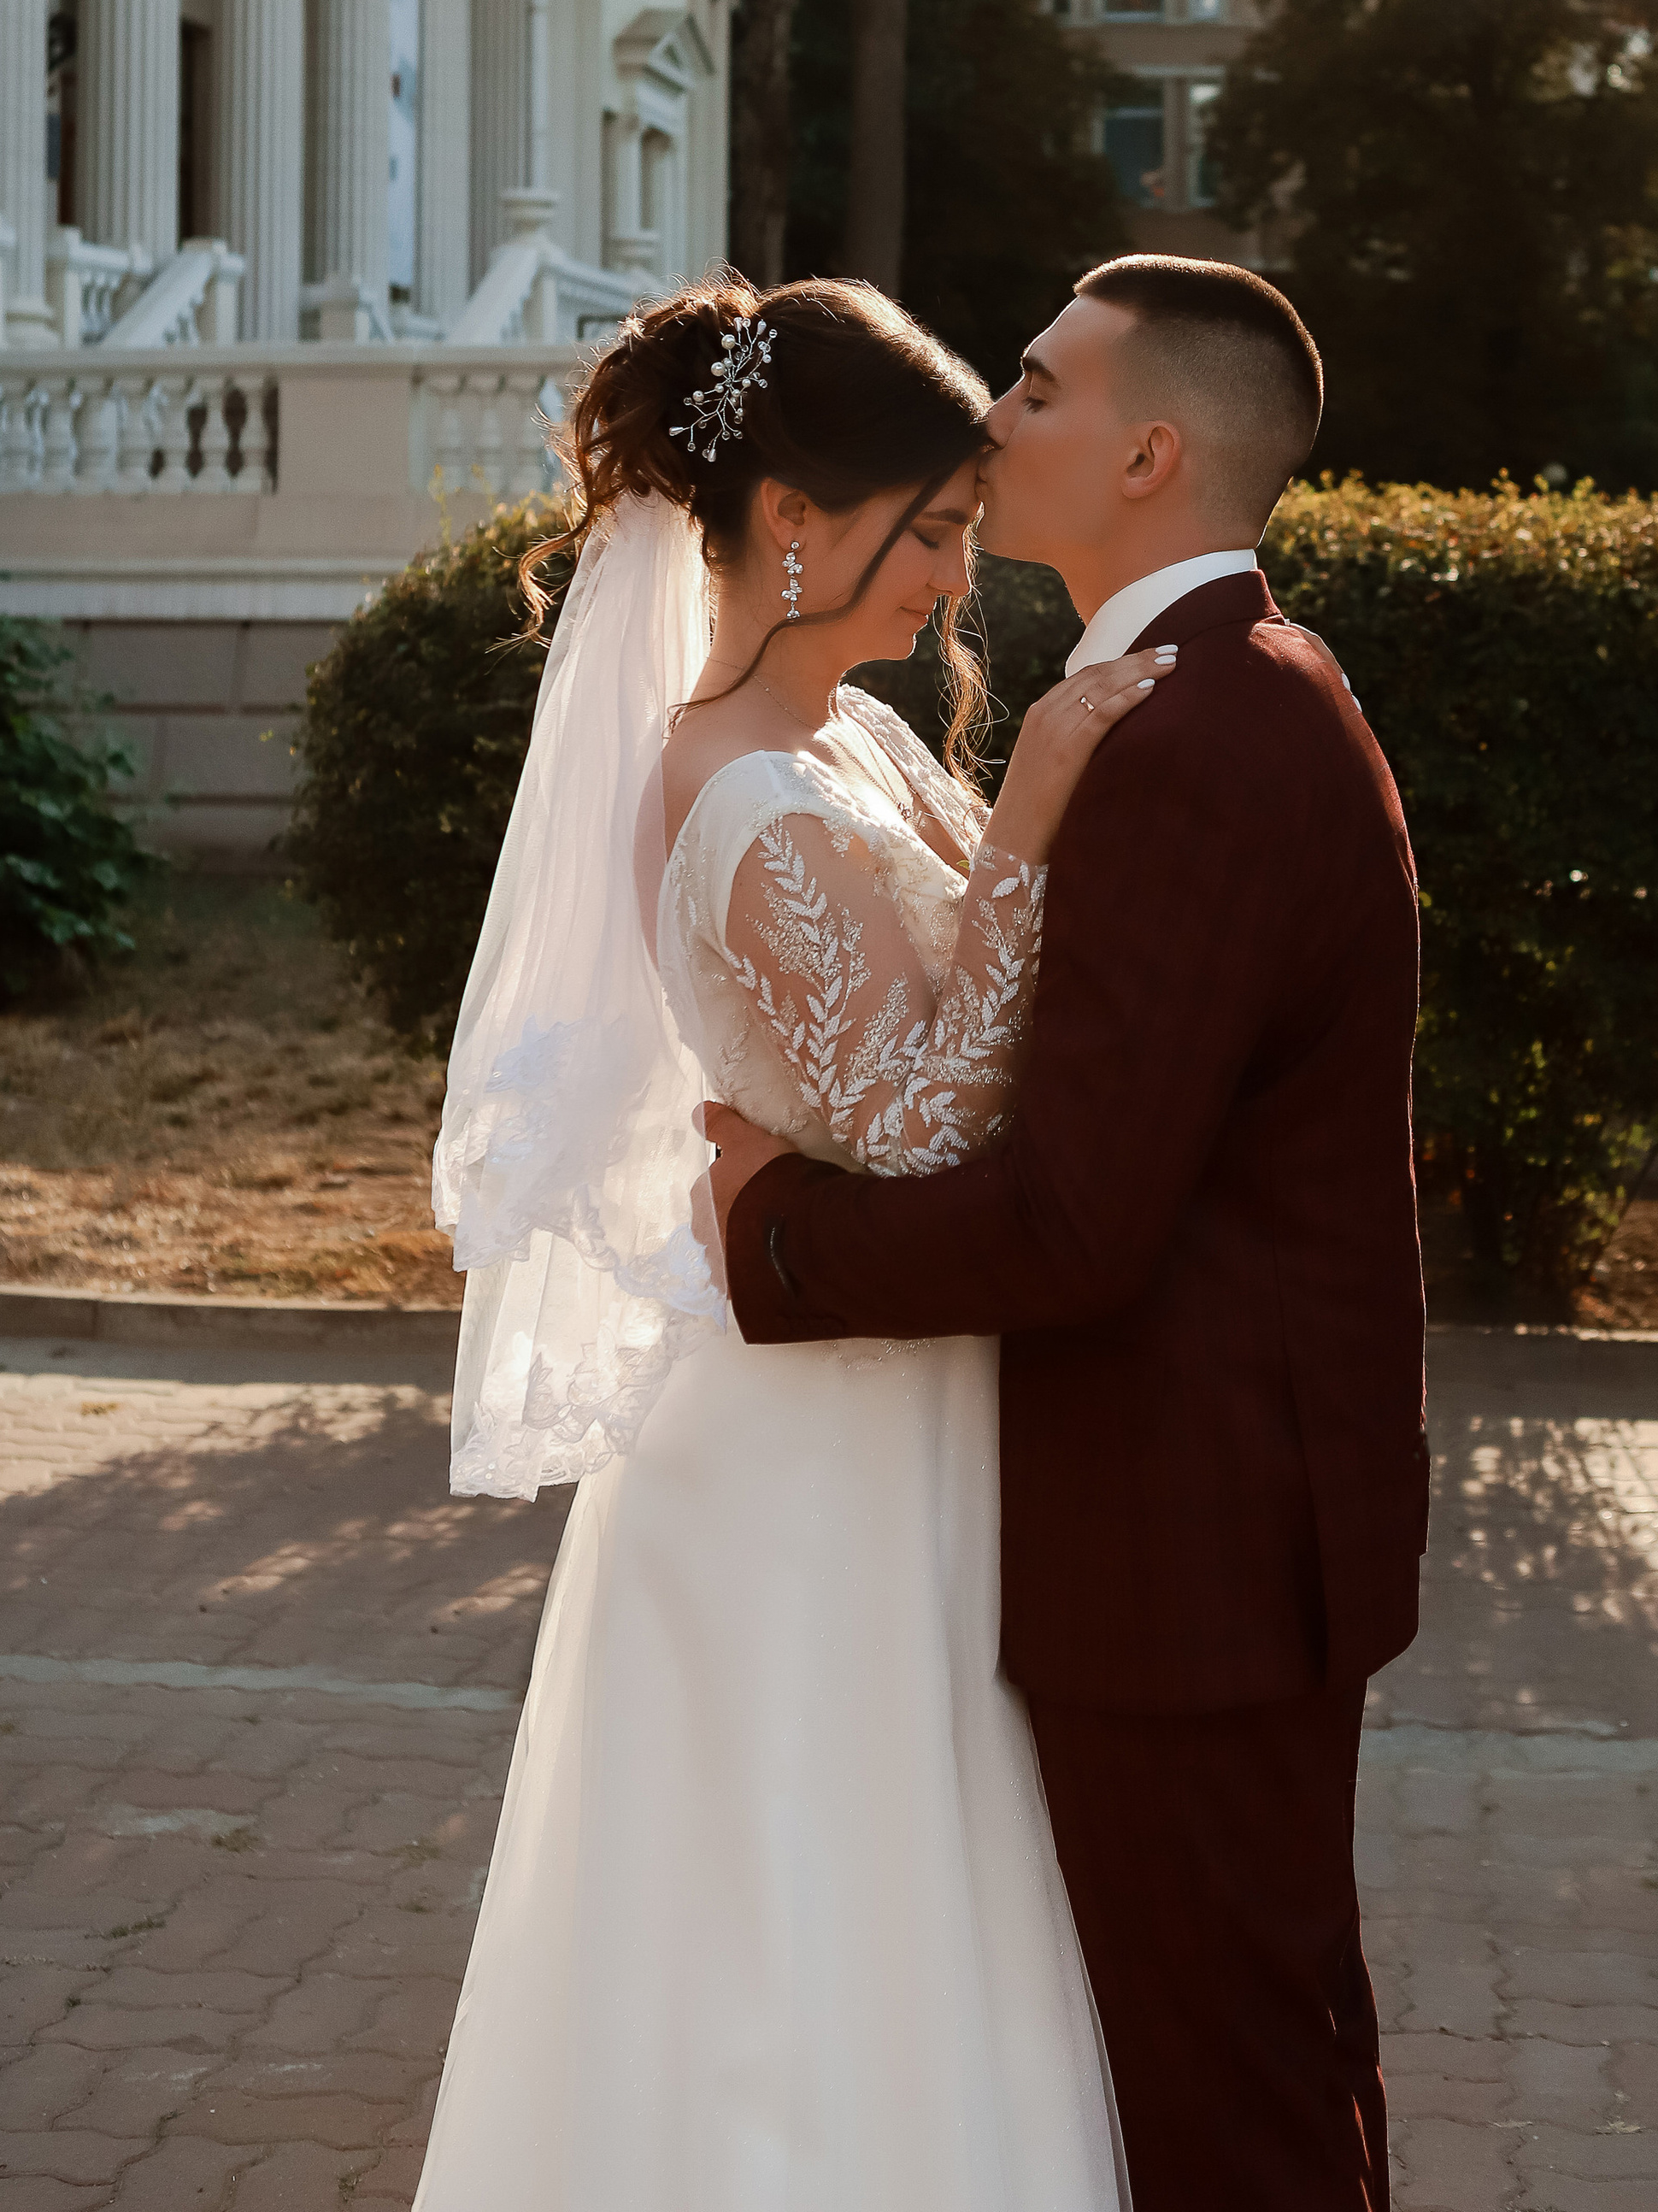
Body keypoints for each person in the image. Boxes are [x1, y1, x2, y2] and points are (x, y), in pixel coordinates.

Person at [414, 274, 1167, 2212]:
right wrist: (1046, 812)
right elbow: (915, 1119)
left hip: (892, 1408)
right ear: (789, 524)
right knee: (786, 1913)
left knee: (890, 1890)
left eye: (962, 531)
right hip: (792, 1456)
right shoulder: (735, 783)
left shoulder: (858, 750)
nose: (952, 575)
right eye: (926, 530)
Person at [703, 254, 1427, 2212]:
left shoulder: (1194, 739)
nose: (991, 417)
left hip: (1191, 1544)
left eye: (1032, 388)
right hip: (1220, 1519)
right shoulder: (1214, 693)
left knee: (1224, 2102)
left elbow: (1081, 1222)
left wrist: (770, 1243)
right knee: (1251, 2054)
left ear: (1148, 451)